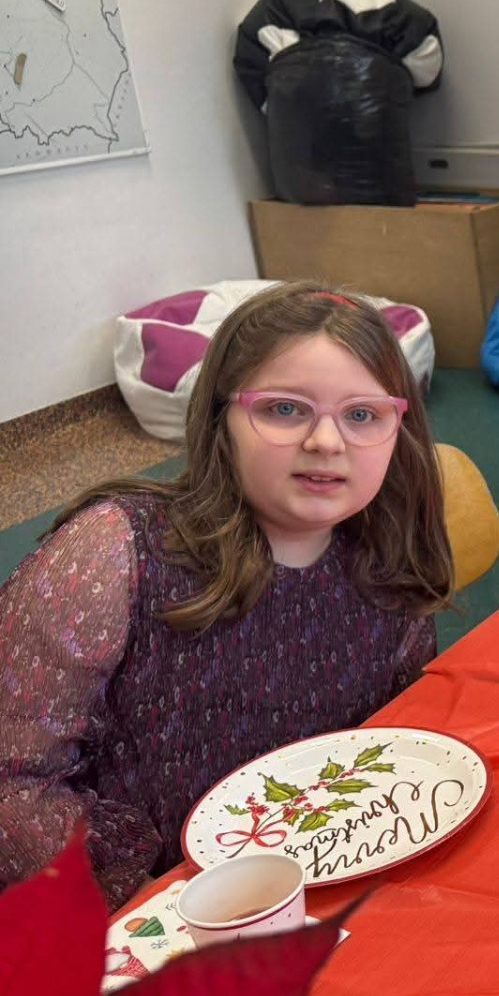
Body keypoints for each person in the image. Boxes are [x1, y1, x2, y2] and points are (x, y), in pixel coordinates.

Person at [0, 283, 450, 907]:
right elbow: (12, 779)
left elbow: (394, 736)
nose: (327, 441)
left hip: (327, 884)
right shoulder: (115, 552)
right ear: (220, 421)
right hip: (146, 913)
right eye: (285, 409)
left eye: (362, 415)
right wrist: (147, 902)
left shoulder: (385, 555)